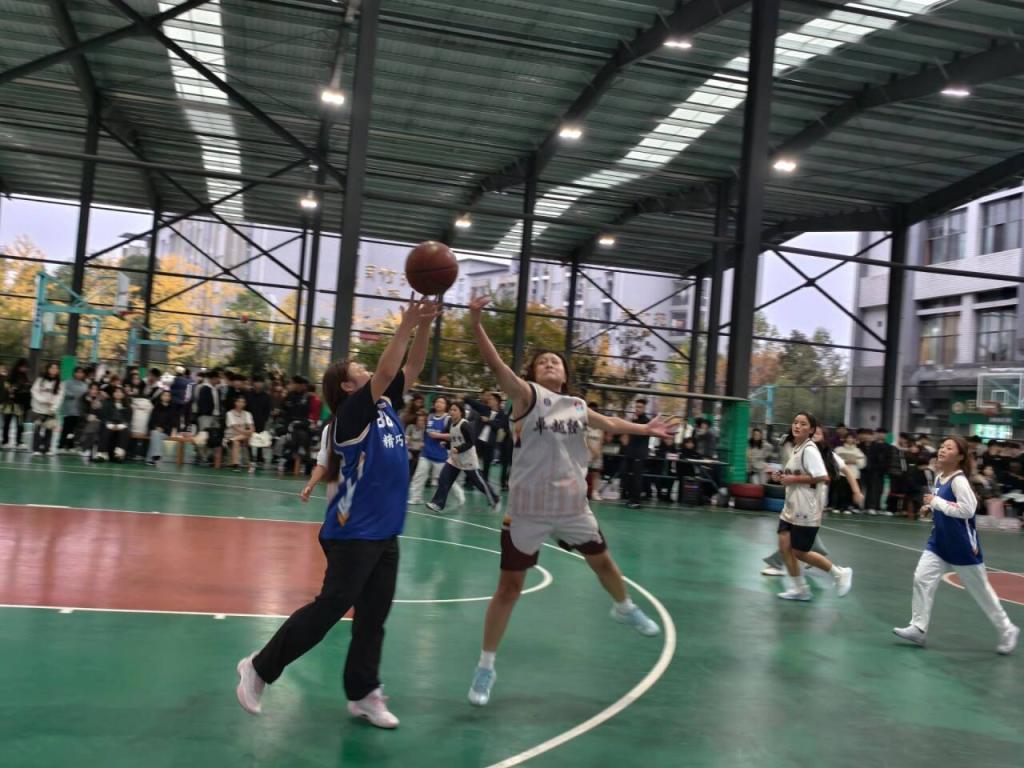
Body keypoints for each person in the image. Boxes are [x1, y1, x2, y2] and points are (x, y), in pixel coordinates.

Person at [236, 296, 440, 729]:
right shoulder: (351, 415)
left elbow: (412, 366)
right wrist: (405, 324)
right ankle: (258, 667)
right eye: (359, 370)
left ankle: (363, 693)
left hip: (384, 531)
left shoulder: (385, 406)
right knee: (331, 607)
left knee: (374, 618)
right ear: (348, 387)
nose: (368, 371)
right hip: (353, 531)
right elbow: (386, 371)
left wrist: (424, 325)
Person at [463, 296, 677, 707]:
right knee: (508, 588)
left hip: (572, 506)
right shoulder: (526, 397)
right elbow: (496, 365)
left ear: (564, 373)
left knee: (604, 562)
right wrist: (475, 323)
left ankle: (623, 607)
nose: (549, 364)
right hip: (527, 510)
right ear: (532, 373)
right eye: (542, 361)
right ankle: (486, 666)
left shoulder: (576, 406)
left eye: (555, 361)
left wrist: (646, 428)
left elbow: (609, 421)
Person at [893, 436, 1019, 655]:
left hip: (962, 547)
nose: (942, 450)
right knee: (922, 578)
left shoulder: (959, 481)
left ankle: (1007, 629)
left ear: (960, 456)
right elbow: (942, 502)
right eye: (942, 446)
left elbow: (968, 510)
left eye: (949, 448)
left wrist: (936, 502)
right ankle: (919, 628)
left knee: (981, 592)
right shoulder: (940, 477)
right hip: (939, 543)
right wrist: (930, 508)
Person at [770, 412, 854, 601]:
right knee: (784, 545)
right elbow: (795, 474)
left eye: (803, 424)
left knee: (799, 552)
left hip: (807, 509)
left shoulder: (810, 450)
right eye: (795, 422)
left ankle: (840, 573)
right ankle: (799, 588)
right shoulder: (796, 448)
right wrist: (781, 476)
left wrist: (793, 479)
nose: (797, 426)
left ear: (811, 430)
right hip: (791, 507)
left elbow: (822, 476)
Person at [761, 425, 863, 576]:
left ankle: (779, 564)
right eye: (812, 433)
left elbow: (847, 471)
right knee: (797, 537)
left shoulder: (828, 455)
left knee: (791, 536)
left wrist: (856, 491)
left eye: (818, 433)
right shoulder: (799, 451)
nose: (814, 435)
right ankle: (814, 557)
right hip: (796, 498)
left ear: (823, 437)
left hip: (813, 501)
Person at [426, 401, 499, 512]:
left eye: (455, 410)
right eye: (451, 410)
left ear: (461, 412)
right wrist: (446, 444)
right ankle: (438, 504)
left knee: (479, 483)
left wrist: (458, 449)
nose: (452, 412)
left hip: (468, 459)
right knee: (444, 478)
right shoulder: (451, 423)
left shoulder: (465, 425)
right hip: (455, 459)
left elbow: (471, 442)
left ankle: (494, 498)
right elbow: (454, 439)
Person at [408, 396, 464, 507]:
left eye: (442, 402)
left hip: (440, 455)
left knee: (445, 479)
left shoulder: (448, 419)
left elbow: (454, 435)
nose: (439, 404)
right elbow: (423, 430)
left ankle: (459, 494)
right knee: (419, 476)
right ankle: (416, 498)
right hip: (426, 453)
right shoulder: (429, 417)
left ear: (446, 406)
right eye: (437, 401)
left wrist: (438, 435)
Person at [621, 399, 652, 509]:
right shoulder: (634, 420)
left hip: (639, 454)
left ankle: (636, 501)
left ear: (644, 408)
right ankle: (630, 498)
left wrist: (631, 425)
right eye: (636, 407)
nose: (637, 409)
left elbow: (640, 434)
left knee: (637, 478)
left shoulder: (646, 421)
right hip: (631, 452)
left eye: (640, 407)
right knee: (629, 476)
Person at [30, 362, 64, 455]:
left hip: (50, 410)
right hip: (38, 409)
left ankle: (46, 448)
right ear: (48, 369)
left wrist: (53, 408)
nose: (54, 370)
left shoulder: (60, 383)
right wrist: (43, 400)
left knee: (49, 430)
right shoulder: (40, 380)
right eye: (52, 368)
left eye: (56, 368)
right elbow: (34, 391)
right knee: (37, 429)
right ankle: (36, 449)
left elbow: (60, 397)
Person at [3, 358, 31, 449]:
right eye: (23, 366)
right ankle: (5, 441)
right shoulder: (10, 377)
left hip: (21, 404)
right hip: (10, 404)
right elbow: (7, 388)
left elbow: (27, 390)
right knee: (7, 422)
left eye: (26, 367)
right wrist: (12, 389)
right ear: (18, 366)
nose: (24, 369)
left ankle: (19, 442)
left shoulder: (25, 377)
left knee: (20, 424)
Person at [58, 367, 89, 452]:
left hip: (79, 410)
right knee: (66, 428)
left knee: (74, 430)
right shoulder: (67, 382)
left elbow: (87, 396)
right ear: (74, 373)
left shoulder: (85, 385)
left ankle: (71, 445)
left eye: (81, 372)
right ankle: (61, 445)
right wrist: (73, 395)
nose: (79, 374)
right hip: (69, 409)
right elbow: (63, 391)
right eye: (77, 372)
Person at [98, 386, 131, 462]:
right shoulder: (107, 404)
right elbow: (104, 417)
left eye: (120, 392)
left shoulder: (128, 406)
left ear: (123, 394)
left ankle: (119, 455)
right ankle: (102, 454)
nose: (118, 393)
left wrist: (120, 426)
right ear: (113, 393)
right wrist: (110, 425)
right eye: (116, 391)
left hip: (121, 425)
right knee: (106, 429)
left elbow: (128, 420)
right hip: (109, 424)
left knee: (125, 430)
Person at [146, 389, 178, 465]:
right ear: (161, 396)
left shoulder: (173, 408)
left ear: (170, 397)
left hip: (166, 431)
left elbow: (174, 423)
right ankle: (155, 456)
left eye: (168, 395)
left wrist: (164, 429)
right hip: (155, 430)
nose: (166, 397)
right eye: (164, 395)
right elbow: (151, 422)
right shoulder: (156, 407)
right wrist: (156, 427)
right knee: (155, 433)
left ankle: (151, 458)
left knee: (155, 435)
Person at [224, 395, 255, 471]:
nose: (241, 403)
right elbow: (235, 428)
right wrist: (247, 432)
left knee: (250, 435)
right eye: (239, 401)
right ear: (235, 403)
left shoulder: (247, 414)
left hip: (243, 436)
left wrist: (249, 431)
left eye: (243, 402)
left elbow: (252, 428)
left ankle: (246, 462)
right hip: (231, 435)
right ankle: (236, 465)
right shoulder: (229, 413)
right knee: (236, 442)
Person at [585, 402, 604, 501]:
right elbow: (585, 439)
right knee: (584, 472)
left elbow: (601, 439)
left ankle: (595, 492)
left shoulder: (600, 425)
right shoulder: (585, 424)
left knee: (596, 473)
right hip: (587, 451)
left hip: (597, 452)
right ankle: (583, 492)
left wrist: (597, 452)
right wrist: (592, 451)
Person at [405, 411, 425, 476]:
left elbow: (423, 442)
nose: (421, 422)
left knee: (419, 460)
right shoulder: (410, 427)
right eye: (419, 420)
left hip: (419, 450)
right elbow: (406, 439)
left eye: (423, 420)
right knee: (409, 457)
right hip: (410, 449)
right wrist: (409, 443)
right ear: (416, 421)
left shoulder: (424, 429)